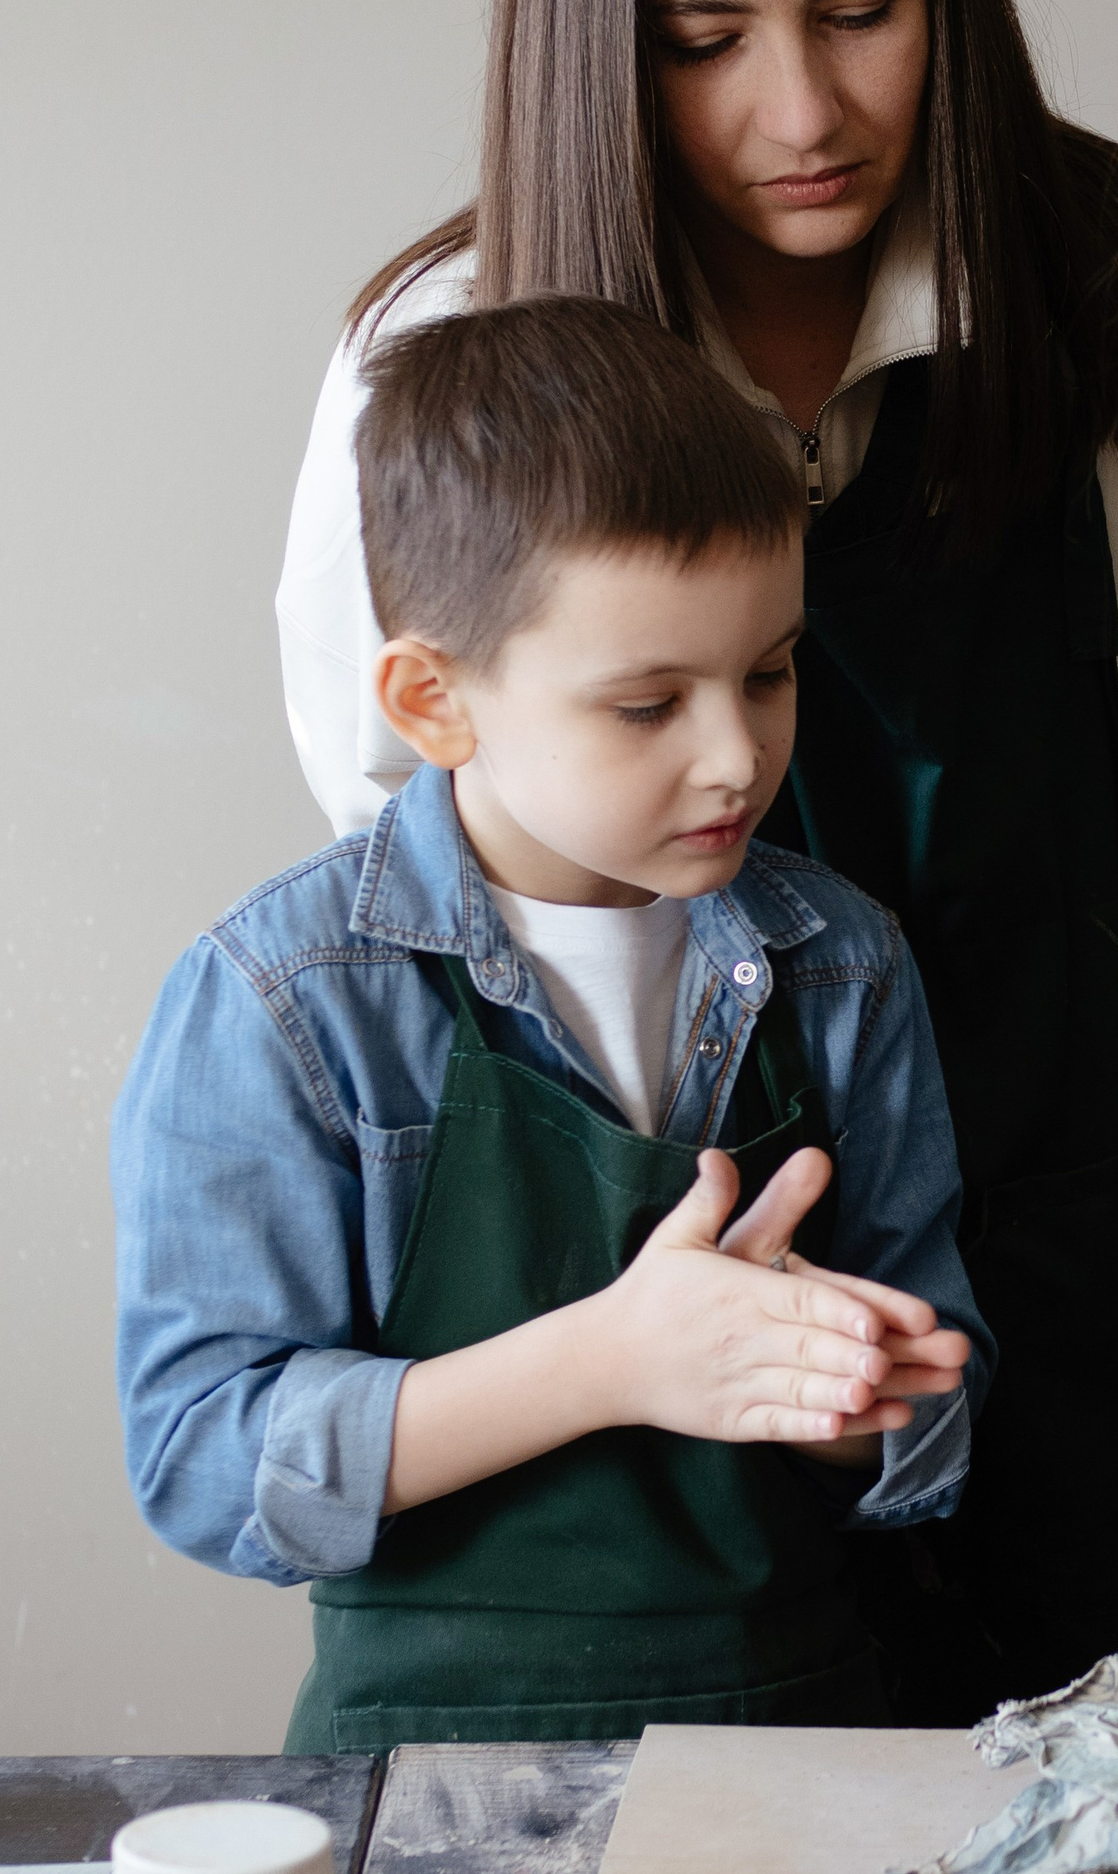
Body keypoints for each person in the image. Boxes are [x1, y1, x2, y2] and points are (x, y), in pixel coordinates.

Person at [276, 0, 1118, 1710]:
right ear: (590, 35)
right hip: (650, 1328)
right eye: (703, 38)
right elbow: (409, 856)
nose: (804, 110)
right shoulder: (440, 365)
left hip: (1078, 1250)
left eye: (864, 10)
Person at [117, 299, 986, 1752]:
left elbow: (936, 1421)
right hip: (424, 1775)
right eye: (647, 704)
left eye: (769, 671)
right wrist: (615, 1357)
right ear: (433, 700)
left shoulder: (842, 964)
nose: (738, 752)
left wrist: (850, 1382)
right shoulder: (285, 996)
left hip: (798, 1735)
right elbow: (208, 1459)